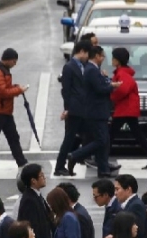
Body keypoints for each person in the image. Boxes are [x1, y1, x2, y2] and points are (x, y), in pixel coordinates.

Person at [66, 45, 121, 178]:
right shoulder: (91, 70)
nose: (103, 59)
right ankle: (75, 155)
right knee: (101, 140)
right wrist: (111, 87)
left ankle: (103, 169)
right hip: (95, 111)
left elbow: (100, 84)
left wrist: (107, 83)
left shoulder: (95, 69)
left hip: (98, 111)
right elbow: (99, 89)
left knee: (104, 140)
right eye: (102, 56)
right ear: (96, 56)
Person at [109, 47, 147, 169]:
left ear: (117, 61)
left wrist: (111, 96)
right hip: (128, 109)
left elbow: (123, 90)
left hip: (125, 109)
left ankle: (102, 159)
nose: (112, 60)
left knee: (110, 135)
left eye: (113, 58)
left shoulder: (122, 73)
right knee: (138, 135)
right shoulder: (122, 72)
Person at [55, 40, 92, 176]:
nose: (88, 57)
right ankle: (60, 165)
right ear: (81, 51)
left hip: (83, 108)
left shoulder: (83, 66)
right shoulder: (69, 67)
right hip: (75, 108)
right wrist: (67, 109)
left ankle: (77, 157)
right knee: (70, 138)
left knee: (84, 136)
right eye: (87, 53)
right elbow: (66, 90)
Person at [18, 164, 55, 238]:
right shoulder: (29, 200)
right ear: (33, 180)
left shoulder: (37, 195)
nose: (44, 177)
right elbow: (32, 228)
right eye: (41, 175)